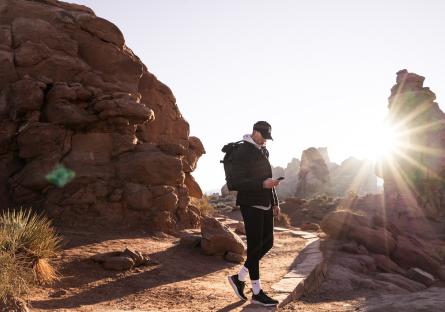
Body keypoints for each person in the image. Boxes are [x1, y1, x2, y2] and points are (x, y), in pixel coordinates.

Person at [227, 121, 281, 307]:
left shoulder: (263, 150)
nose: (265, 140)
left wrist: (275, 201)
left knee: (268, 243)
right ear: (255, 132)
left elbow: (267, 176)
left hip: (265, 203)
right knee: (256, 246)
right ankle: (257, 292)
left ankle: (239, 277)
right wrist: (262, 185)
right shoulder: (241, 152)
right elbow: (236, 183)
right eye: (263, 136)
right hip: (250, 204)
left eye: (267, 137)